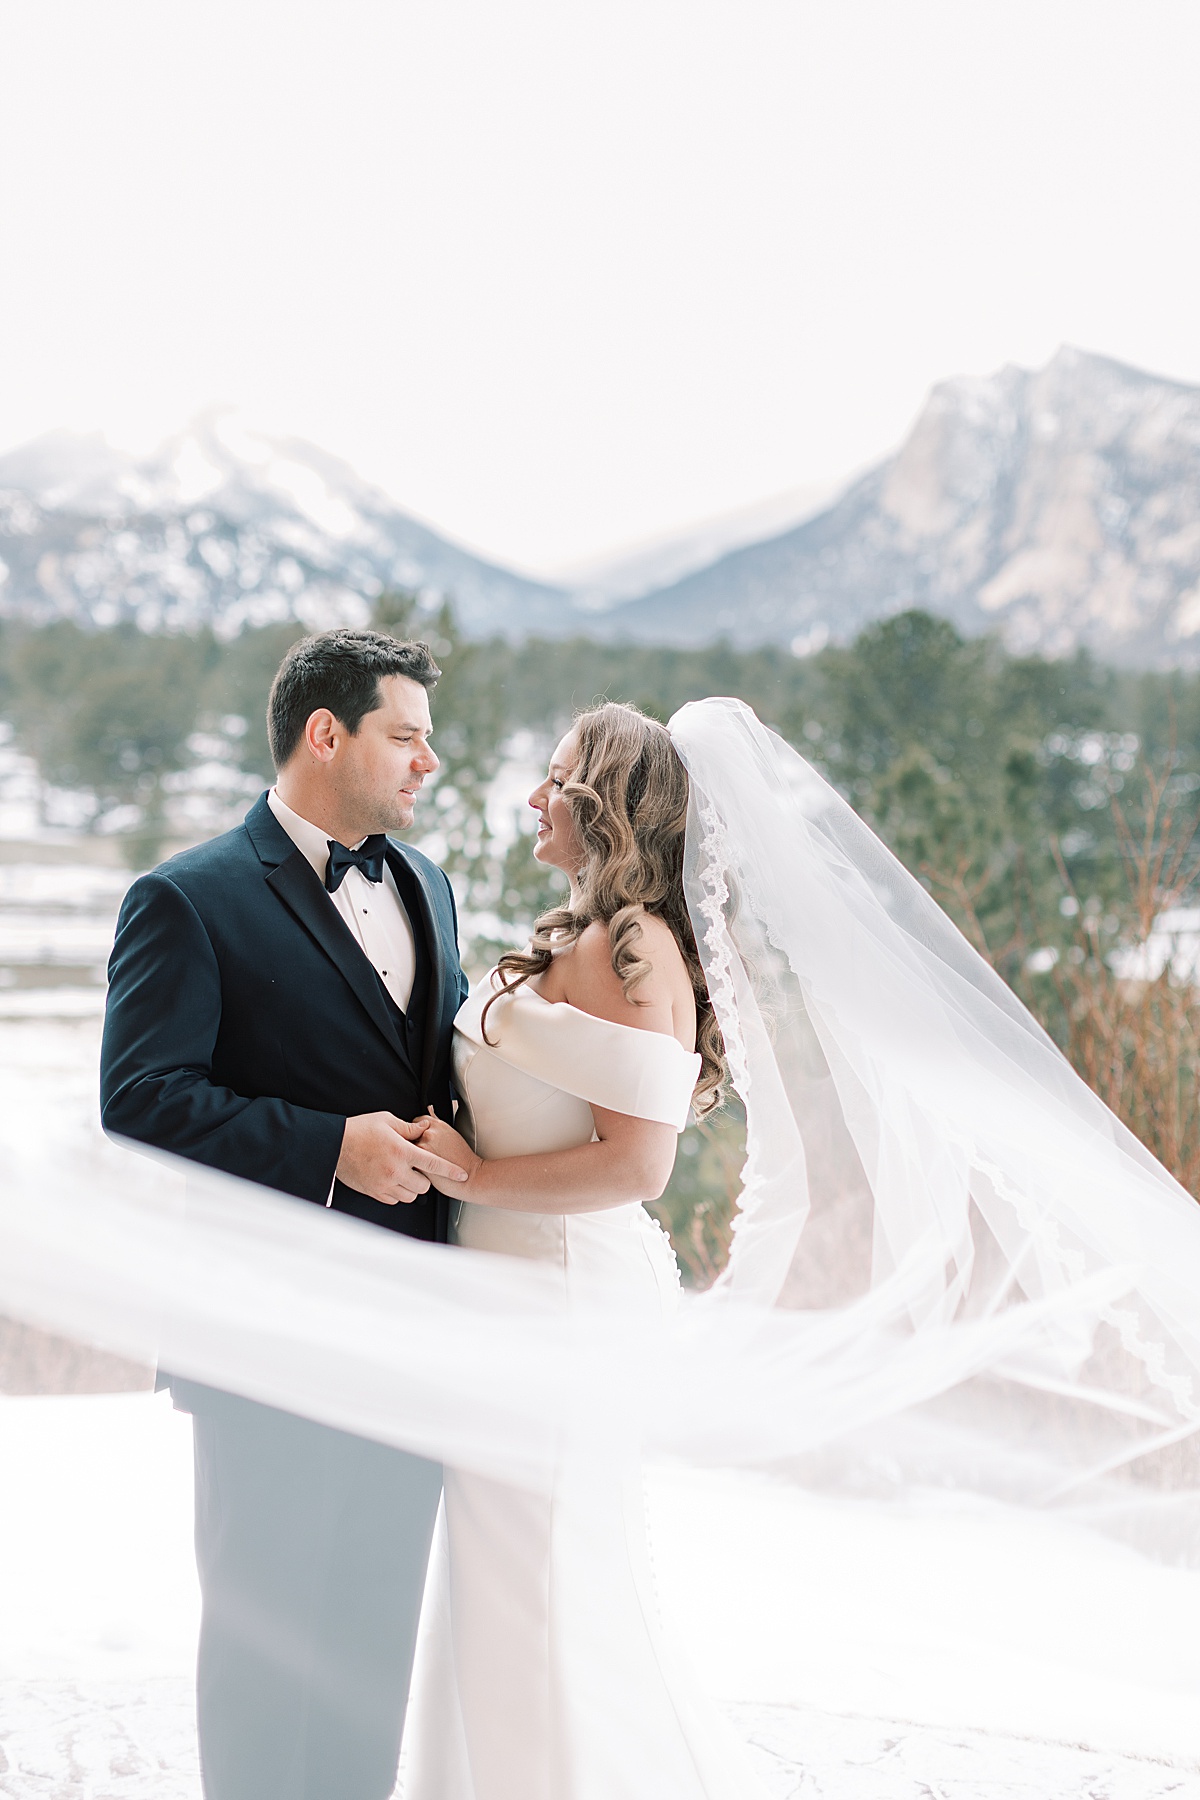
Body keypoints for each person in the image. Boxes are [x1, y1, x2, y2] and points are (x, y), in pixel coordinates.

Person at [99, 628, 470, 1800]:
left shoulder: (430, 885)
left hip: (416, 1340)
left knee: (368, 1656)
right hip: (263, 1345)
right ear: (328, 734)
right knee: (265, 1660)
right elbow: (140, 1098)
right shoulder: (187, 899)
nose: (428, 763)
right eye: (406, 737)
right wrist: (329, 1150)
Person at [403, 702, 769, 1799]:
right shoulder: (578, 935)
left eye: (556, 778)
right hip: (505, 1289)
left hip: (560, 1301)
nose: (534, 797)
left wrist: (473, 1177)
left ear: (606, 804)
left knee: (541, 1577)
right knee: (498, 1572)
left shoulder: (639, 946)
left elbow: (637, 1166)